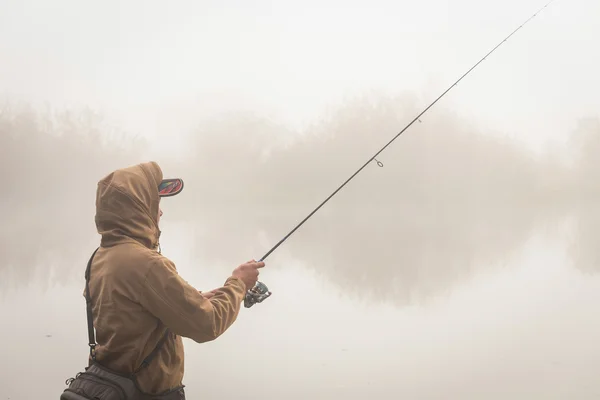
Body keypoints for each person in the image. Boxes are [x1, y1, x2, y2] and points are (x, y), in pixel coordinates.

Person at [61, 161, 265, 399]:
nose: (160, 211)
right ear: (138, 207)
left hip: (111, 386)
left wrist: (195, 298)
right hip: (147, 392)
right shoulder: (146, 264)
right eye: (155, 202)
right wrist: (238, 283)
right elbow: (207, 324)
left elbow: (131, 313)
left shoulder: (100, 257)